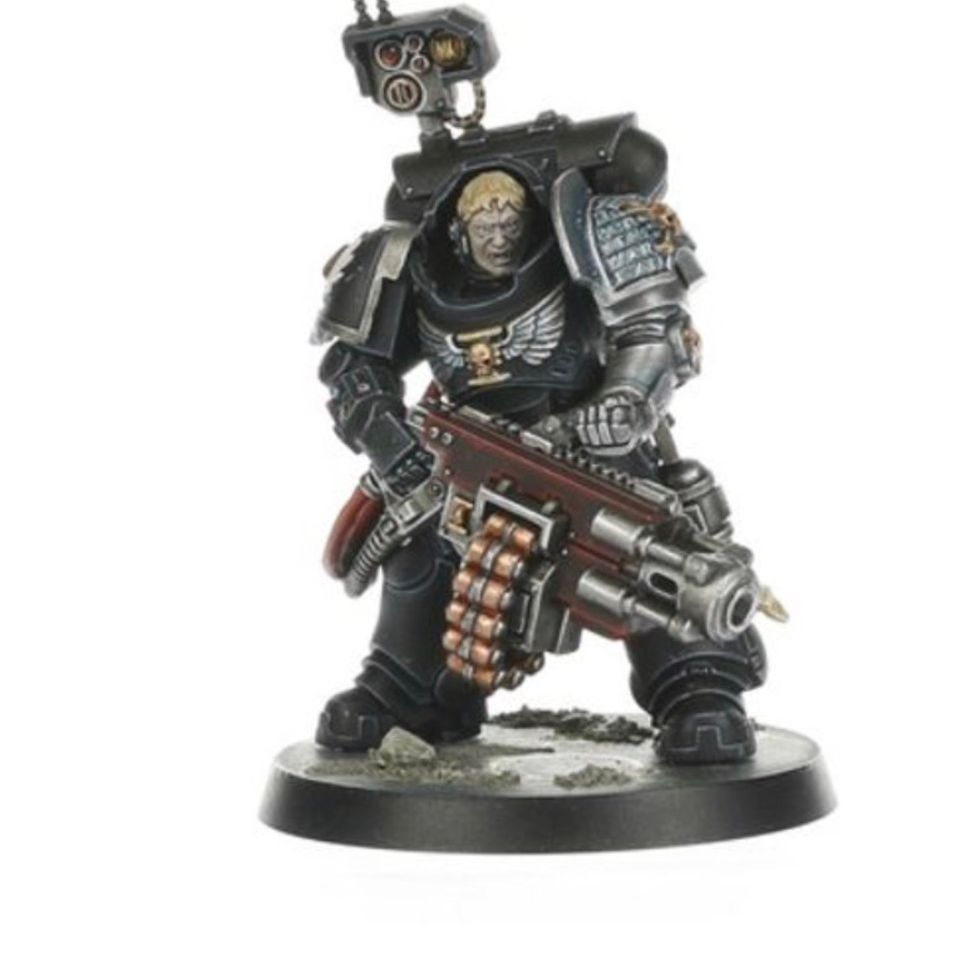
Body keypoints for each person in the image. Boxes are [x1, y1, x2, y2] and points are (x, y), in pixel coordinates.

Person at [311, 162, 766, 764]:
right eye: (485, 226)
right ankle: (410, 687)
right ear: (457, 230)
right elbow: (354, 365)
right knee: (420, 552)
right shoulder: (407, 258)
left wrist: (623, 400)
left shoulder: (592, 231)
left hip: (585, 443)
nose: (499, 238)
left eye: (511, 224)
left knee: (650, 547)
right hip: (462, 448)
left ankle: (697, 682)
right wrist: (395, 448)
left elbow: (656, 331)